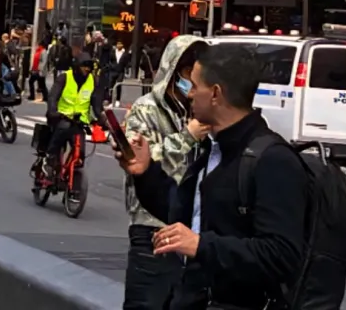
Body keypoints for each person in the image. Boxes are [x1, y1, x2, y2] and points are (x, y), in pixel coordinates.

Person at [119, 44, 310, 310]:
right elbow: (183, 212)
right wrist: (145, 172)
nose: (189, 94)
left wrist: (200, 245)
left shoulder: (272, 159)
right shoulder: (214, 148)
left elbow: (281, 256)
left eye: (195, 86)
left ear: (215, 94)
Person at [122, 35, 209, 310]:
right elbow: (141, 161)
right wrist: (187, 137)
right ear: (174, 71)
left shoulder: (198, 110)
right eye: (188, 72)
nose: (193, 82)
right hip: (152, 225)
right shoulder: (146, 108)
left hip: (191, 227)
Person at [45, 51, 97, 174]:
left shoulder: (93, 80)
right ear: (77, 66)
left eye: (89, 67)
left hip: (79, 122)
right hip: (61, 118)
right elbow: (52, 97)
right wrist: (52, 111)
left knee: (80, 154)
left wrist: (102, 120)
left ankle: (73, 173)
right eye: (84, 66)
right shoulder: (64, 77)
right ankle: (50, 159)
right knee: (61, 132)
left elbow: (97, 103)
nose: (87, 69)